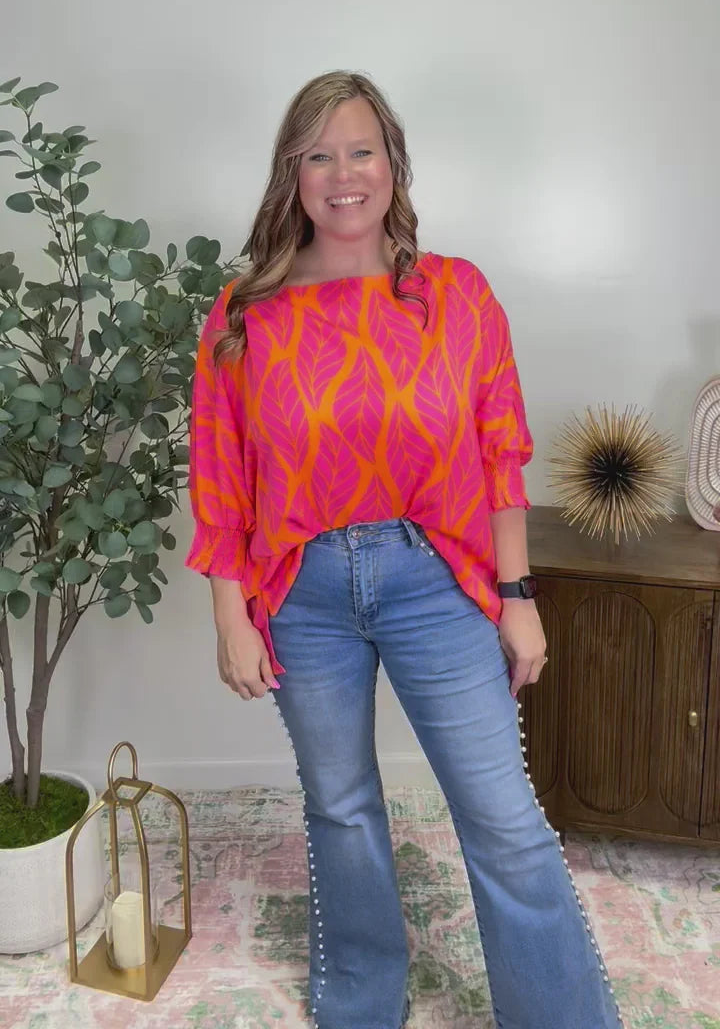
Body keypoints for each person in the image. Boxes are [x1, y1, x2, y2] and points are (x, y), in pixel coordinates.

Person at [185, 71, 623, 1029]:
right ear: (292, 173)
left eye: (361, 151)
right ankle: (360, 1004)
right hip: (301, 592)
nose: (343, 174)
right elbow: (220, 478)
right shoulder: (245, 314)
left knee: (502, 818)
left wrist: (517, 596)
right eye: (319, 155)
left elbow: (500, 452)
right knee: (340, 808)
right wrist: (229, 617)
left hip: (436, 580)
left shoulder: (455, 294)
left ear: (393, 164)